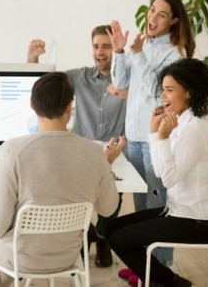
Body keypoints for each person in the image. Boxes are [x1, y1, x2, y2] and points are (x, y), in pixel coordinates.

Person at [0, 72, 124, 287]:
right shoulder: (94, 152)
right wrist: (106, 165)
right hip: (68, 256)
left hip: (22, 256)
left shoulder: (13, 150)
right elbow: (108, 208)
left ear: (31, 104)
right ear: (70, 107)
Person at [106, 58, 208, 287]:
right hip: (178, 210)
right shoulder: (183, 123)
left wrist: (162, 137)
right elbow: (160, 171)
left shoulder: (194, 129)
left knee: (118, 238)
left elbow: (168, 179)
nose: (163, 96)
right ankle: (152, 274)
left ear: (189, 92)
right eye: (163, 91)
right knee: (110, 228)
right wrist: (153, 131)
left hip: (198, 222)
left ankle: (168, 281)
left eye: (169, 90)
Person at [108, 0, 195, 282]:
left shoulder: (175, 53)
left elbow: (158, 90)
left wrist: (135, 54)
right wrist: (120, 51)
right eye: (152, 10)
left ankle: (162, 271)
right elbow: (120, 83)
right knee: (142, 210)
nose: (153, 17)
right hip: (134, 136)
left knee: (158, 210)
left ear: (173, 21)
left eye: (161, 14)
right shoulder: (141, 46)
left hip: (156, 139)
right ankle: (144, 268)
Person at [27, 24, 127, 267]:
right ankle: (84, 233)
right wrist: (33, 59)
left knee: (111, 198)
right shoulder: (78, 77)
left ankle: (102, 237)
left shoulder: (126, 81)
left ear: (115, 49)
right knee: (73, 198)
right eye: (96, 46)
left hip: (115, 153)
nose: (100, 52)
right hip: (79, 151)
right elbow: (45, 86)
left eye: (106, 46)